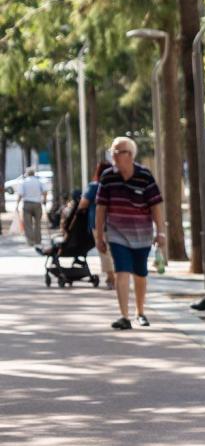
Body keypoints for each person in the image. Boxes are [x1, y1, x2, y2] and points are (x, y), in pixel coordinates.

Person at [94, 137, 166, 330]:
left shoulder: (145, 176)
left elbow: (156, 206)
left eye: (119, 152)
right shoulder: (107, 177)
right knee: (122, 271)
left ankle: (140, 312)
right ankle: (124, 316)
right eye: (113, 152)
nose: (115, 156)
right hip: (117, 233)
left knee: (140, 274)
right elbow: (101, 208)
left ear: (131, 155)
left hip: (141, 234)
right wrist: (99, 236)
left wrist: (161, 232)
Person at [64, 159, 115, 289]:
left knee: (104, 249)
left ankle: (111, 277)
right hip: (116, 222)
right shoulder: (116, 186)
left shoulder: (95, 186)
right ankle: (117, 274)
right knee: (115, 250)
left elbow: (83, 204)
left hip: (98, 222)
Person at [17, 166, 46, 249]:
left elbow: (20, 194)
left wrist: (17, 204)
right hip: (37, 203)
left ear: (27, 174)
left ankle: (31, 240)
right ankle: (38, 240)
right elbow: (45, 191)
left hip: (27, 204)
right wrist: (44, 200)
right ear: (34, 173)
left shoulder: (24, 182)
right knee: (38, 223)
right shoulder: (38, 181)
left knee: (28, 224)